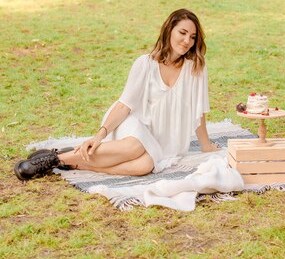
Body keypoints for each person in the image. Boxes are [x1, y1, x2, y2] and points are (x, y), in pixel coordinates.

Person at [14, 9, 219, 181]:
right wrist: (99, 135)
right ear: (169, 30)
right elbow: (124, 105)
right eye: (182, 33)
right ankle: (54, 160)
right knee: (136, 146)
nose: (187, 41)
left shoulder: (196, 68)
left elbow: (198, 111)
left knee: (145, 165)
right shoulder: (145, 64)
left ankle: (80, 164)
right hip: (131, 123)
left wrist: (206, 145)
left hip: (162, 140)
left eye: (192, 37)